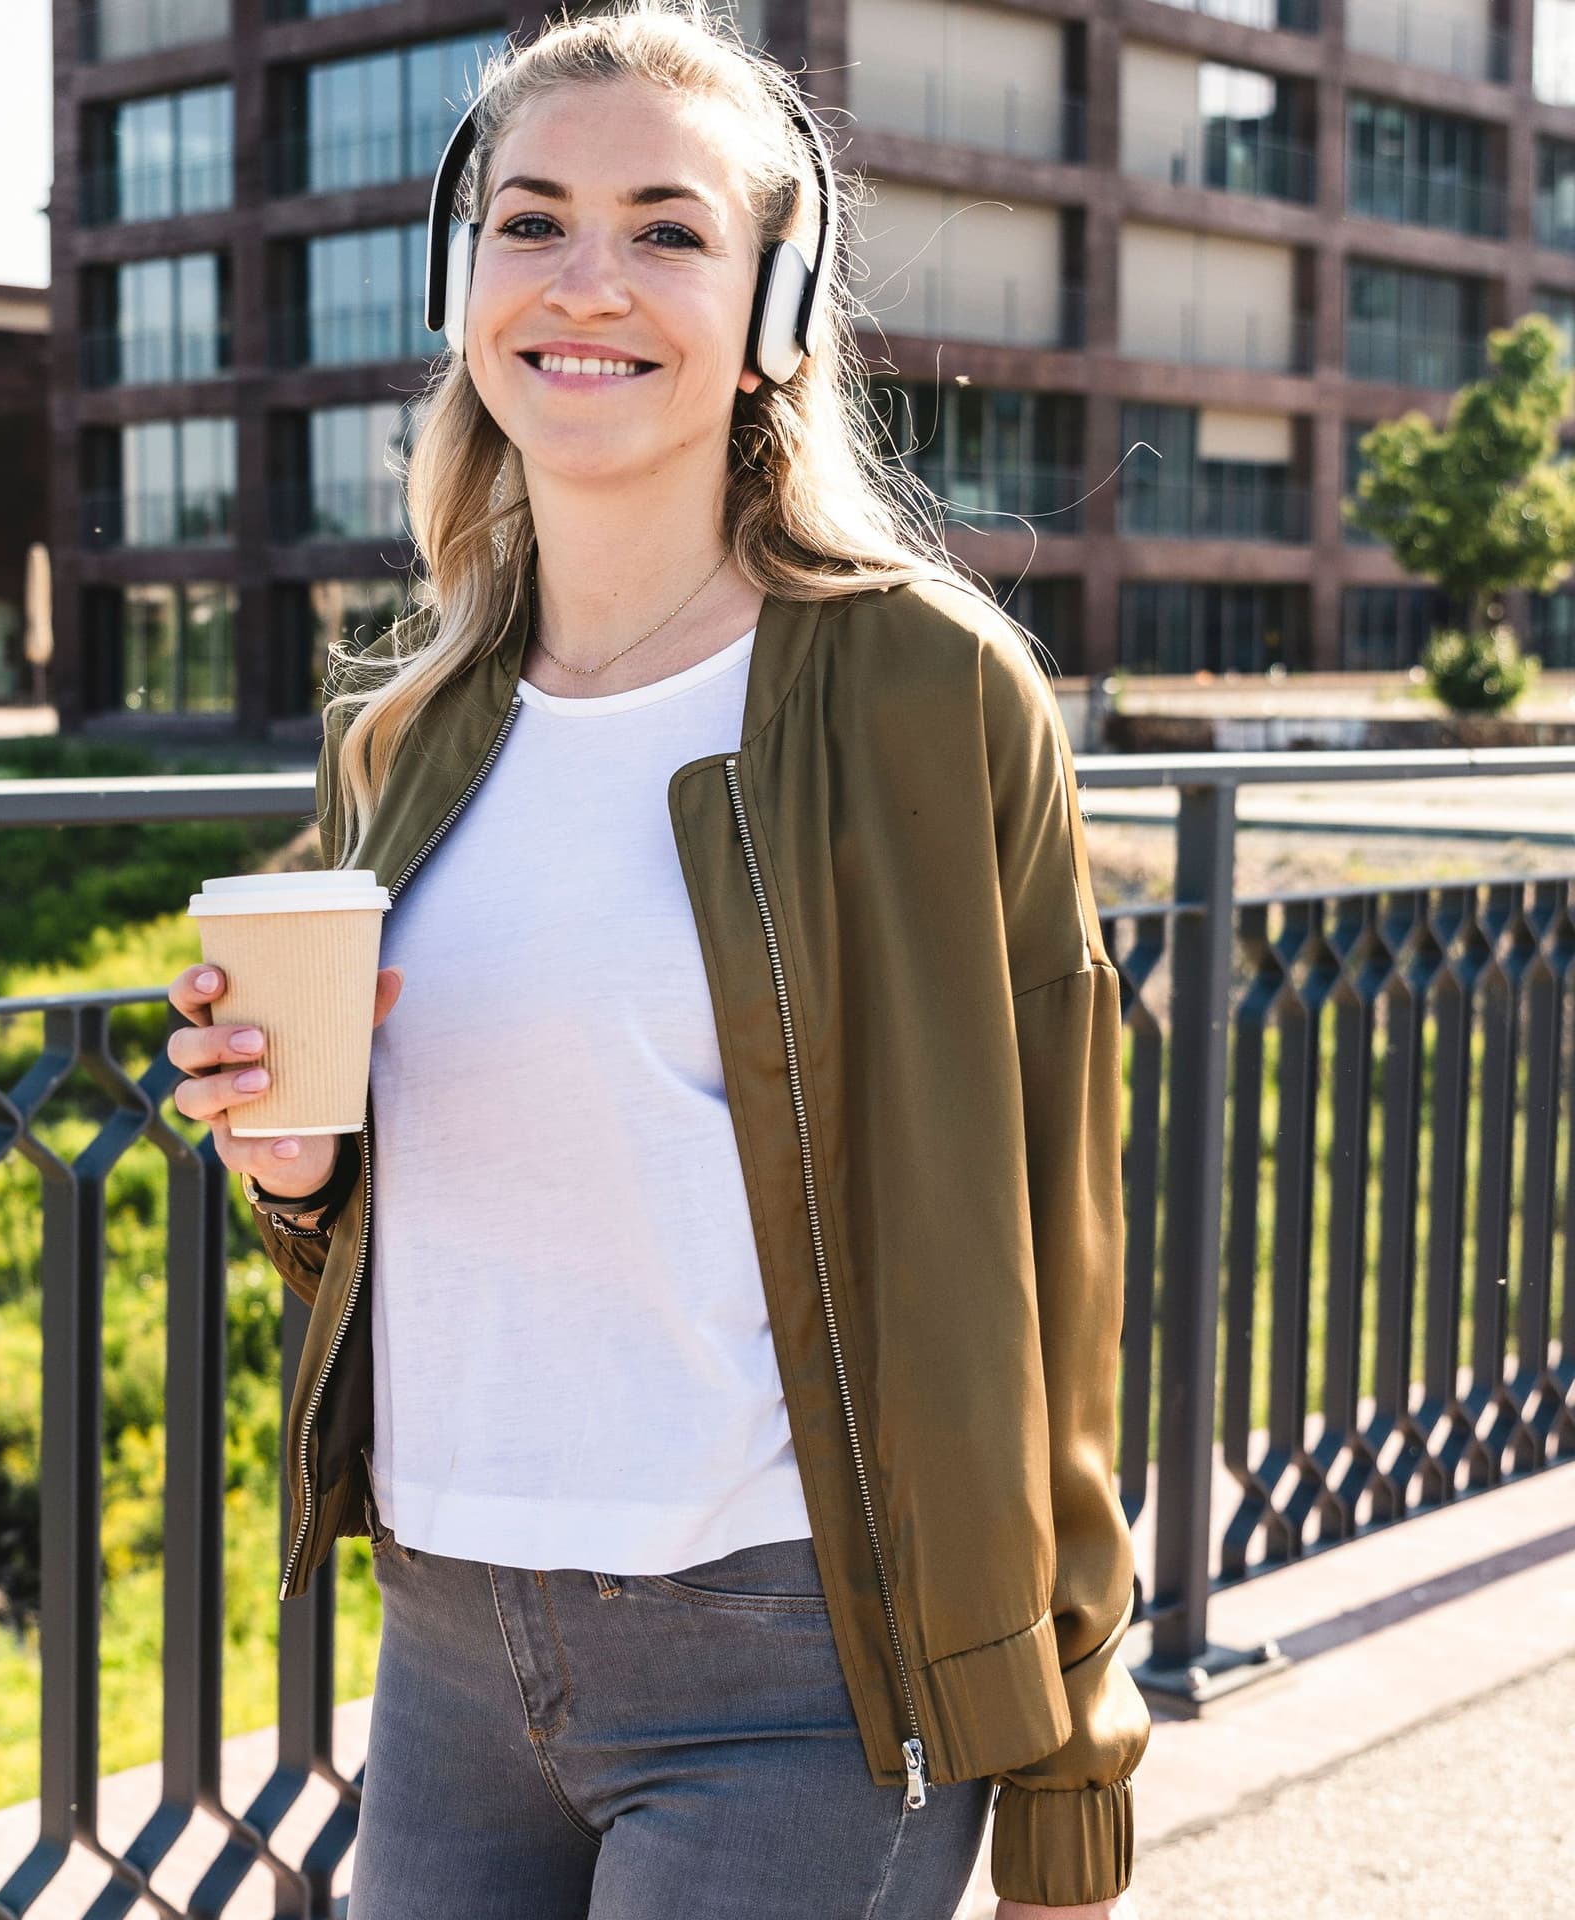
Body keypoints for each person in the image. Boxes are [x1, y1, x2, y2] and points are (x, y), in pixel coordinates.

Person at [167, 2, 1149, 1913]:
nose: (584, 279)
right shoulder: (408, 731)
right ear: (465, 284)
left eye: (667, 228)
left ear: (778, 309)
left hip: (802, 1664)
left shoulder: (928, 694)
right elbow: (430, 1191)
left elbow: (1054, 1241)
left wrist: (1073, 1751)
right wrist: (298, 1174)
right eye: (530, 222)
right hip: (452, 1642)